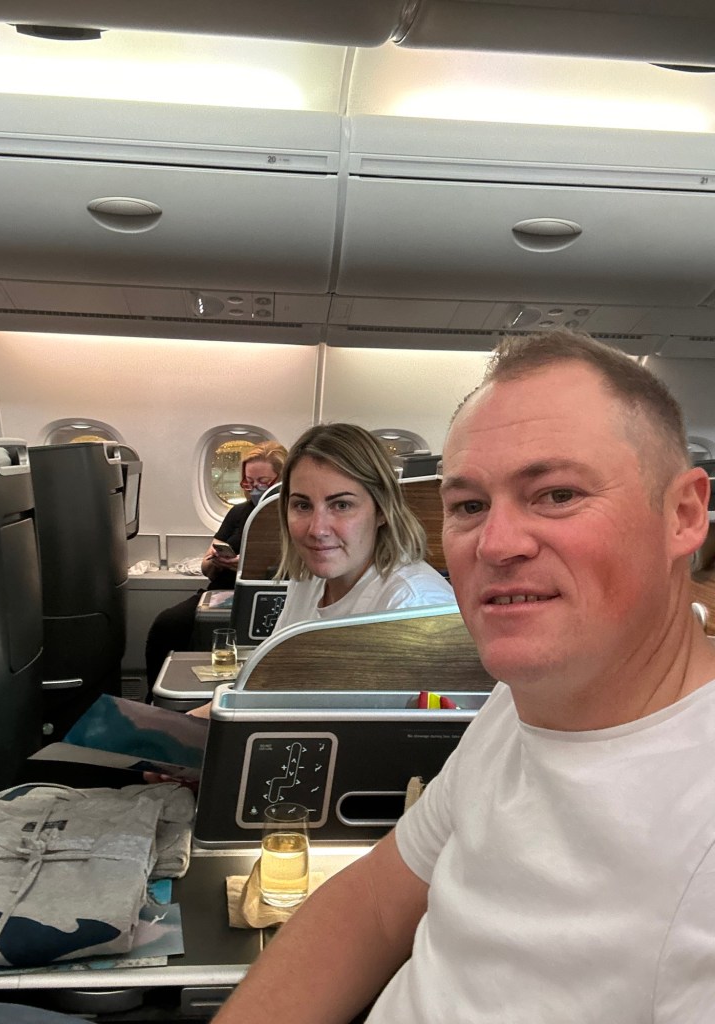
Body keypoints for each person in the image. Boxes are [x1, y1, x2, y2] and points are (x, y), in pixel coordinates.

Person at [211, 330, 715, 1024]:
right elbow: (374, 904)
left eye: (557, 493)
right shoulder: (519, 705)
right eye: (470, 505)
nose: (497, 545)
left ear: (683, 514)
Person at [272, 422, 454, 630]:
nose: (317, 530)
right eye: (303, 506)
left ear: (382, 510)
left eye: (342, 505)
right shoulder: (307, 581)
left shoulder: (411, 606)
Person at [144, 440, 287, 690]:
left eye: (262, 482)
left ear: (281, 479)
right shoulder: (237, 513)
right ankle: (157, 695)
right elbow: (205, 569)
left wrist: (245, 567)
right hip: (219, 591)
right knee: (166, 624)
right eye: (248, 483)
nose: (254, 489)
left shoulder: (290, 517)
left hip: (261, 595)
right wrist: (216, 561)